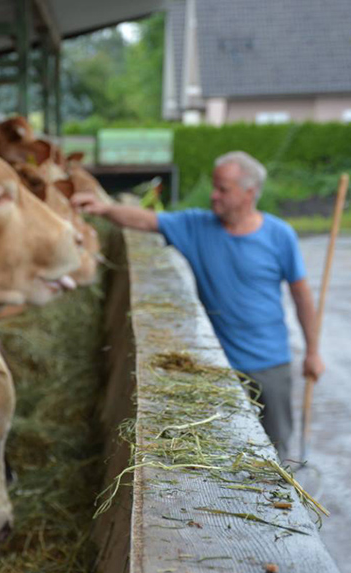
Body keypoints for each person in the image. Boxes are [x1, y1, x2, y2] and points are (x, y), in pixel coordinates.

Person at [72, 151, 324, 463]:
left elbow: (302, 296)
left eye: (223, 189)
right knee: (229, 451)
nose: (213, 196)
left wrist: (313, 351)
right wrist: (105, 208)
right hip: (218, 367)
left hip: (271, 365)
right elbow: (145, 219)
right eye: (214, 187)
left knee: (277, 449)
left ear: (249, 192)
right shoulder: (196, 227)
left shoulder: (279, 235)